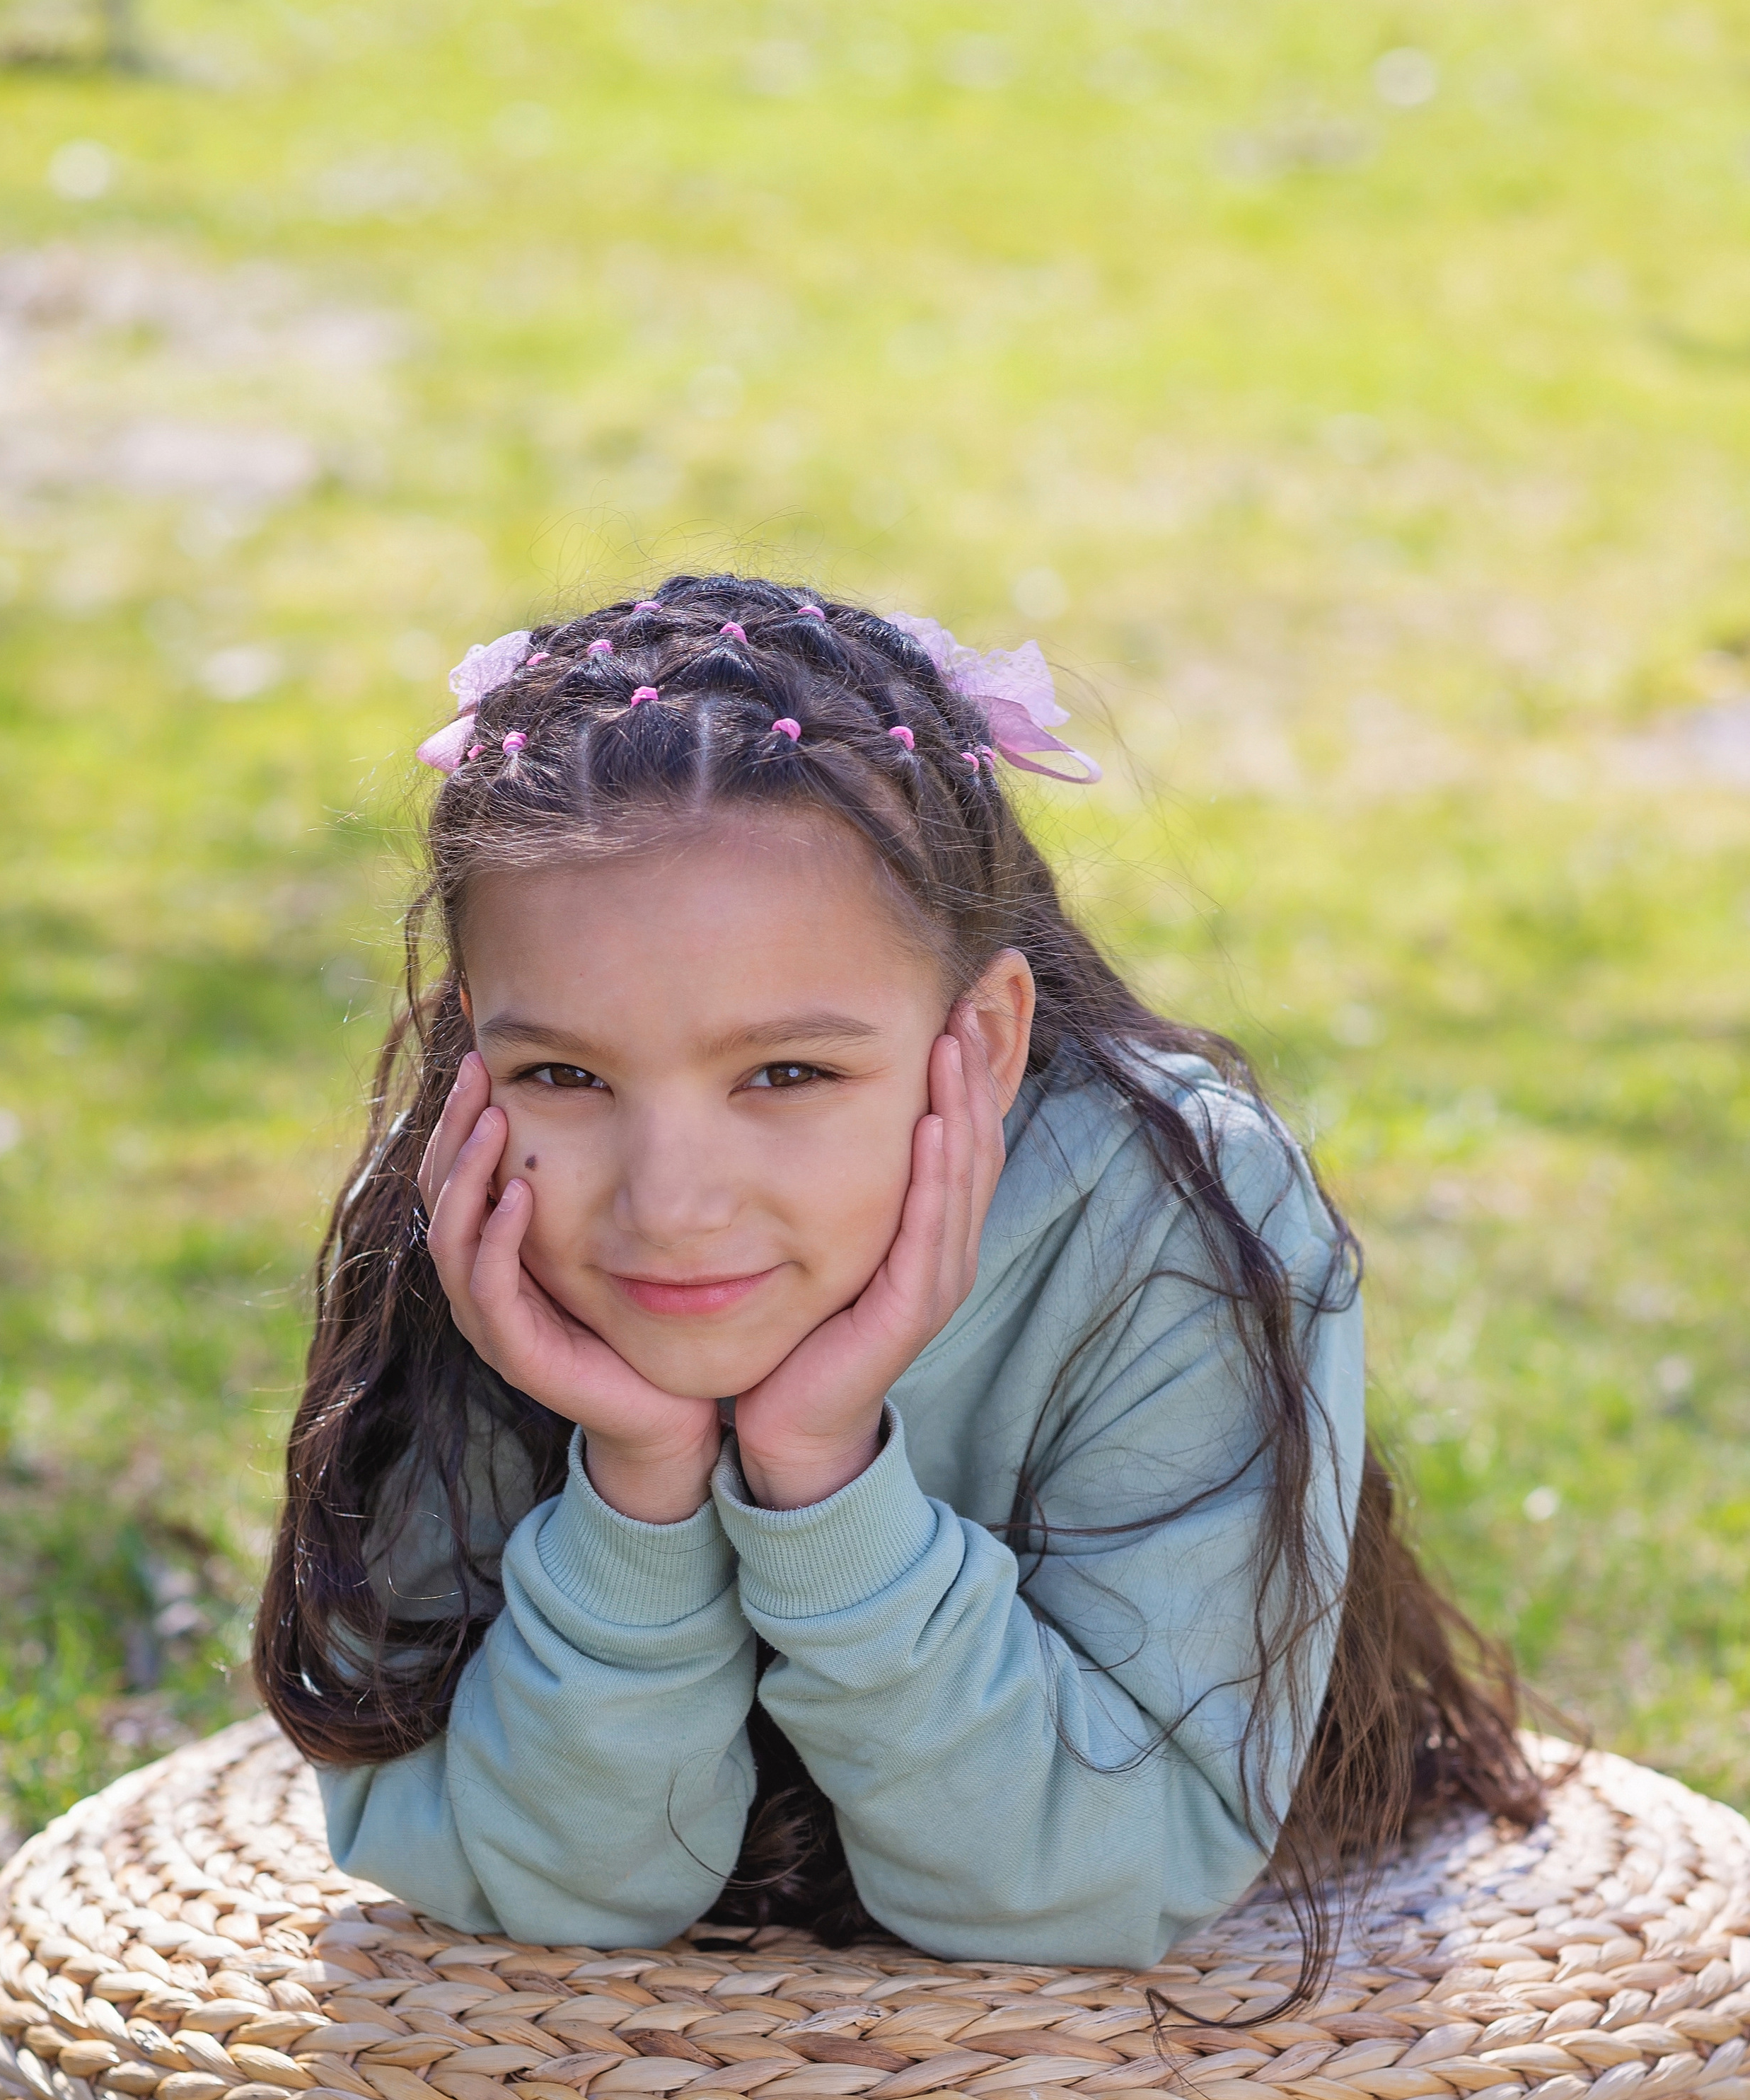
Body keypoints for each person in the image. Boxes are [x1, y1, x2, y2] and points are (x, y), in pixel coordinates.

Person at [254, 572, 1536, 1994]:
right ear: (473, 1045)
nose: (670, 1204)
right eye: (562, 1071)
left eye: (786, 1071)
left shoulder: (1172, 1224)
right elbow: (523, 1882)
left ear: (979, 1040)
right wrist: (636, 1481)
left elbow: (1103, 1879)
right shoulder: (467, 1205)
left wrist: (822, 1476)